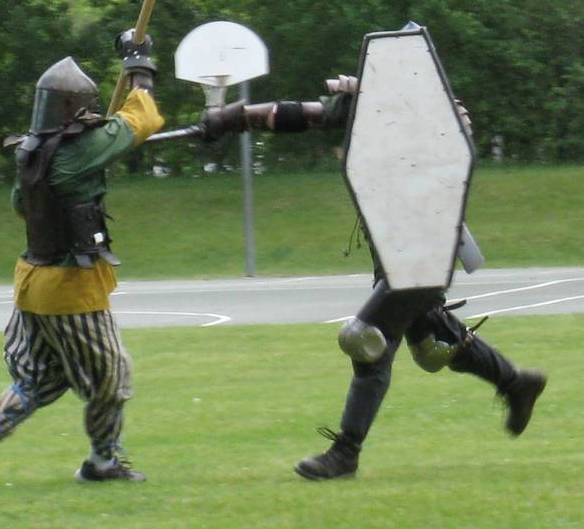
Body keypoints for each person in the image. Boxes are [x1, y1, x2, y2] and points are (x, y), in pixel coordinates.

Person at [199, 75, 547, 481]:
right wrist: (232, 118)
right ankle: (515, 383)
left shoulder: (436, 114)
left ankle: (345, 453)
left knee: (365, 338)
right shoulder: (367, 104)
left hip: (424, 249)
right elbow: (295, 115)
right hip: (393, 247)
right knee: (433, 343)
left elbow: (455, 151)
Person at [0, 35, 164, 490]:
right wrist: (138, 61)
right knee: (111, 377)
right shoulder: (79, 150)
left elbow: (21, 207)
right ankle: (103, 461)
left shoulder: (31, 151)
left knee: (41, 379)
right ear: (75, 108)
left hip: (33, 282)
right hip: (71, 289)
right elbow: (142, 117)